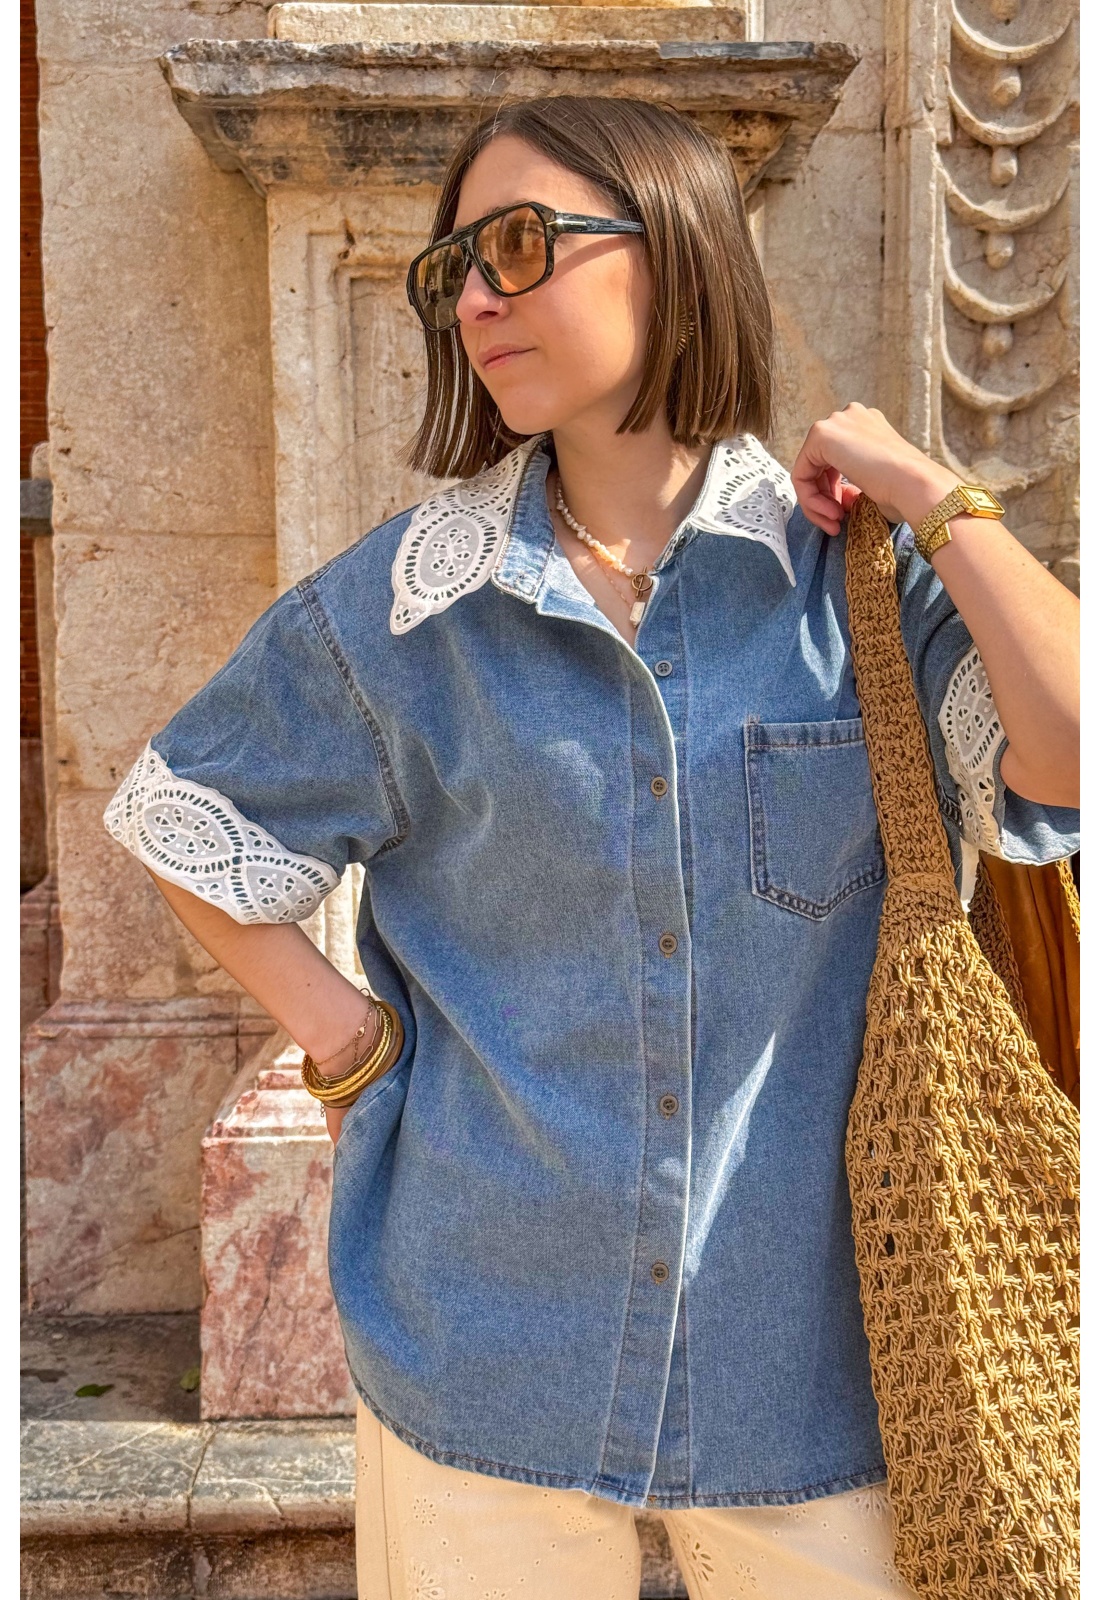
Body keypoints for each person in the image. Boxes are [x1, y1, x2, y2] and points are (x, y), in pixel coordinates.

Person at [104, 96, 1080, 1599]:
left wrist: (928, 490)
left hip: (832, 1374)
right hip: (486, 1357)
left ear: (674, 245)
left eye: (518, 245)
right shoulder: (404, 613)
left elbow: (1069, 750)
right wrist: (353, 1048)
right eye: (454, 270)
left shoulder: (855, 592)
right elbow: (184, 817)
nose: (475, 299)